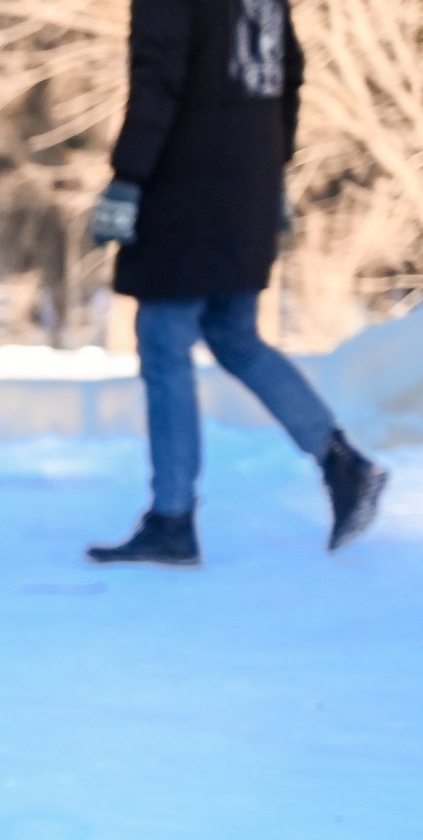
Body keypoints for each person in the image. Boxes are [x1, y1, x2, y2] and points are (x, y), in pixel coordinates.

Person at [86, 0, 385, 565]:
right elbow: (288, 77)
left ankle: (172, 519)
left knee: (164, 340)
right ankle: (341, 460)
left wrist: (127, 180)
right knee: (234, 335)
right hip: (246, 183)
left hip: (185, 191)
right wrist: (270, 173)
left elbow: (159, 79)